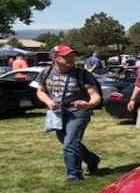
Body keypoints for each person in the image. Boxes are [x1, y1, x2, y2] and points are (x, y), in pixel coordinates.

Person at [32, 44, 101, 181]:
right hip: (57, 112)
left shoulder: (82, 74)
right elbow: (40, 91)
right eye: (66, 56)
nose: (71, 59)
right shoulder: (46, 72)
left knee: (70, 142)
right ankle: (92, 160)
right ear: (56, 58)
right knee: (68, 142)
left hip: (78, 112)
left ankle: (73, 174)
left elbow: (95, 95)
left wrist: (89, 104)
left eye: (72, 56)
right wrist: (48, 102)